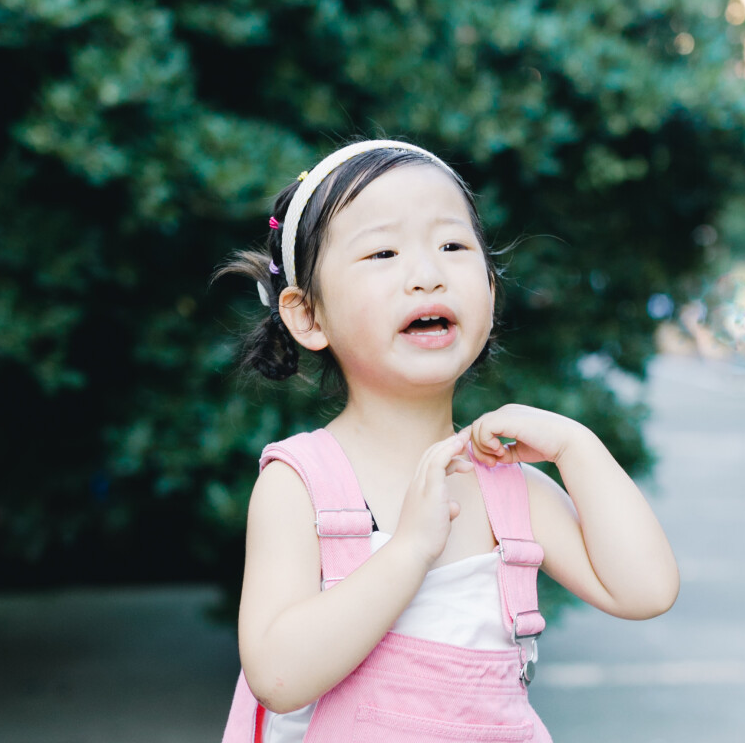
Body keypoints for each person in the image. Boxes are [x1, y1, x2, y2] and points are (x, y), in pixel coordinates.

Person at [216, 139, 679, 743]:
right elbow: (277, 675)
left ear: (489, 290)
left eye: (453, 246)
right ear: (308, 316)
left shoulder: (505, 487)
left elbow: (644, 589)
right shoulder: (301, 484)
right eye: (382, 252)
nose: (427, 274)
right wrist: (409, 549)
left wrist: (577, 448)